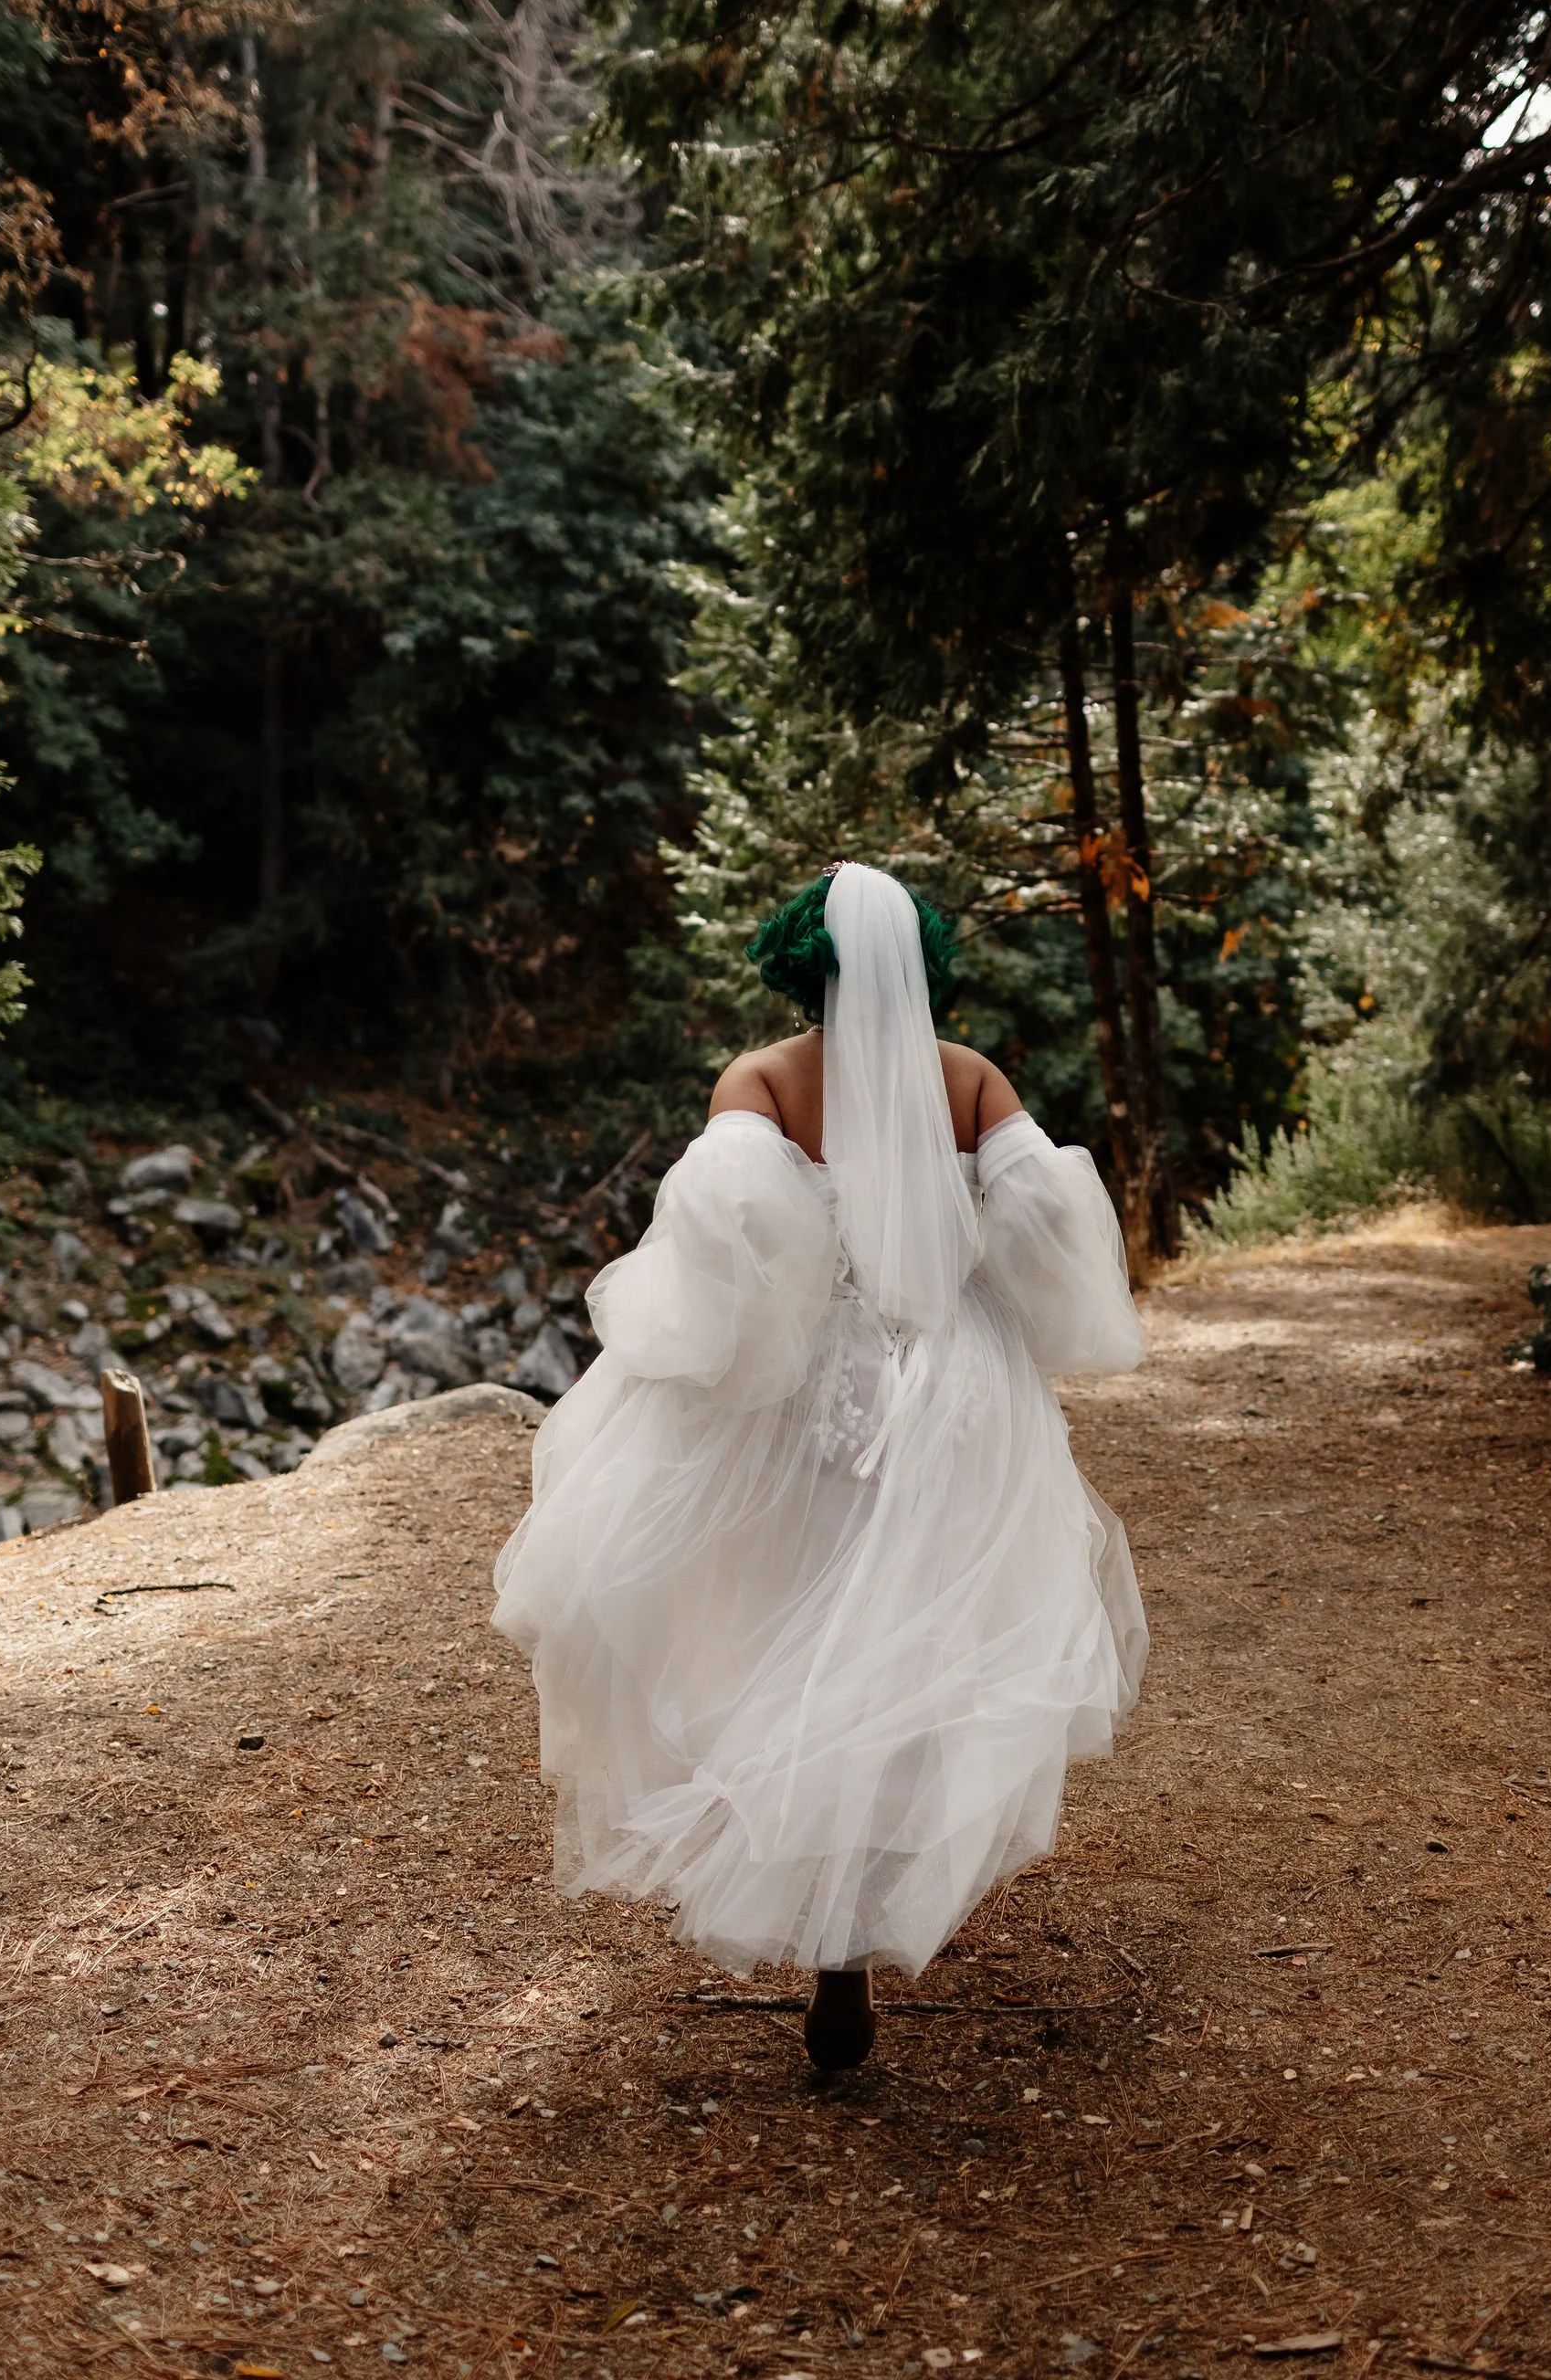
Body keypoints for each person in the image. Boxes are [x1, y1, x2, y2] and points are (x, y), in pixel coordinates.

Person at [491, 863, 1148, 2073]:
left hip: (812, 1399)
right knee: (909, 1649)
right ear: (924, 963)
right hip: (951, 1399)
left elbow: (727, 1244)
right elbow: (1049, 1234)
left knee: (781, 1635)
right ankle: (861, 1922)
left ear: (801, 961)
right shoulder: (970, 1080)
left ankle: (828, 1934)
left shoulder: (764, 1080)